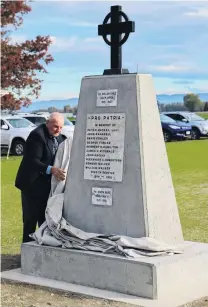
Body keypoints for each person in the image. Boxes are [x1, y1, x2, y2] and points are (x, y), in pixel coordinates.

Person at [15, 112, 67, 243]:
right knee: (30, 220)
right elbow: (32, 161)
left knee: (44, 220)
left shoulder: (60, 137)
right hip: (31, 185)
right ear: (47, 122)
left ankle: (40, 251)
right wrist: (52, 169)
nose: (58, 130)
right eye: (55, 126)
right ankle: (26, 251)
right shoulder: (37, 136)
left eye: (61, 127)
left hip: (46, 186)